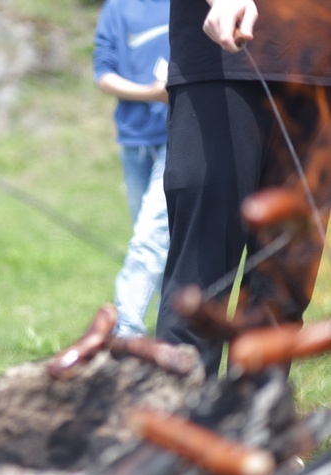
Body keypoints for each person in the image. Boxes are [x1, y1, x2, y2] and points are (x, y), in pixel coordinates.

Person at [156, 0, 331, 377]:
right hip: (224, 61)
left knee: (284, 287)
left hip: (322, 76)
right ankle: (178, 425)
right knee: (198, 284)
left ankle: (253, 426)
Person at [92, 0, 171, 337]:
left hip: (177, 137)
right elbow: (103, 74)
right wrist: (152, 94)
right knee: (156, 238)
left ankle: (125, 331)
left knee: (149, 236)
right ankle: (174, 330)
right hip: (132, 140)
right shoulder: (117, 8)